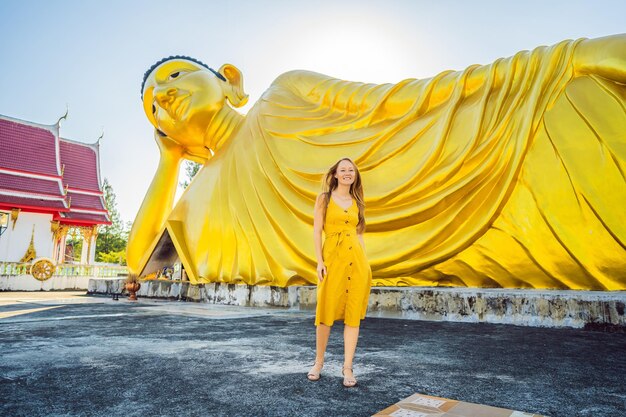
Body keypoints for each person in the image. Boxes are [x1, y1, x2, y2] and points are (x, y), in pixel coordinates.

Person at [128, 34, 626, 291]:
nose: (164, 95)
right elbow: (139, 266)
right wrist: (169, 162)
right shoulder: (198, 199)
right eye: (153, 107)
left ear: (231, 82)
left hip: (453, 185)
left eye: (174, 76)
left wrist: (552, 61)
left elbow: (396, 103)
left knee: (577, 102)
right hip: (428, 261)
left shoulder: (286, 90)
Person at [306, 157, 372, 387]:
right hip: (332, 261)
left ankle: (348, 368)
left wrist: (366, 263)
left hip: (357, 262)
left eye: (350, 170)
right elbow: (317, 231)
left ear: (355, 175)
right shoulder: (324, 199)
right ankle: (318, 363)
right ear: (334, 174)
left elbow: (360, 234)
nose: (347, 173)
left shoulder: (357, 201)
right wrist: (319, 261)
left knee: (353, 316)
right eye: (342, 170)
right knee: (325, 313)